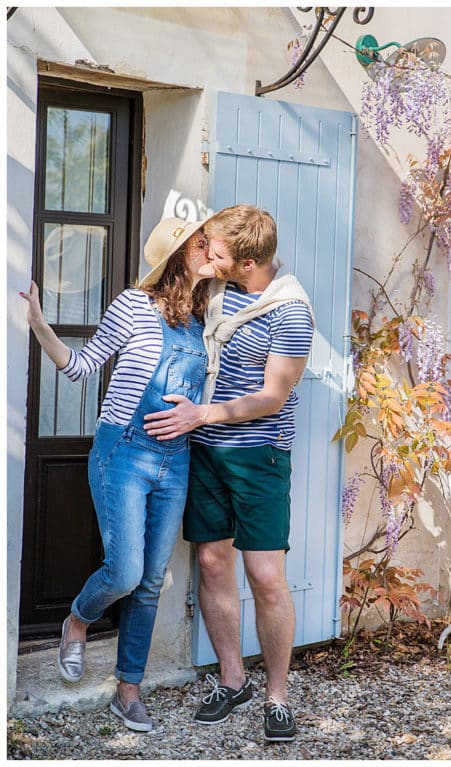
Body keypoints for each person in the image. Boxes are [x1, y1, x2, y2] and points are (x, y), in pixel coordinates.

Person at [21, 218, 213, 732]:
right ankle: (78, 619)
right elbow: (82, 366)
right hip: (124, 452)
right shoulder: (132, 304)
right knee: (125, 572)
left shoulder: (203, 317)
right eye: (200, 240)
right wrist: (40, 323)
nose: (209, 245)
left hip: (177, 459)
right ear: (176, 254)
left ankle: (128, 690)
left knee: (150, 582)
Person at [142, 204, 313, 743]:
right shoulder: (214, 291)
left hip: (258, 455)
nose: (206, 260)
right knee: (214, 565)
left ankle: (278, 697)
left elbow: (271, 396)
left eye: (216, 254)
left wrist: (203, 414)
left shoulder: (291, 313)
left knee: (265, 577)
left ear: (246, 263)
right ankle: (232, 679)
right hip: (205, 452)